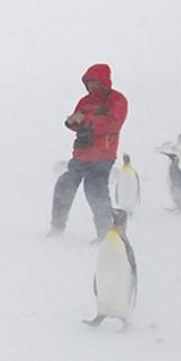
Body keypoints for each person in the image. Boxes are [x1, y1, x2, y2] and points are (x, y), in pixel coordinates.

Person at [49, 63, 128, 242]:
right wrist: (72, 122)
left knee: (95, 191)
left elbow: (113, 124)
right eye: (89, 82)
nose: (92, 86)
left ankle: (105, 234)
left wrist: (87, 119)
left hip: (103, 156)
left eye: (95, 82)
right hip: (81, 154)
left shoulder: (117, 100)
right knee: (64, 184)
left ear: (104, 81)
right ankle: (57, 227)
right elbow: (79, 124)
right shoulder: (85, 101)